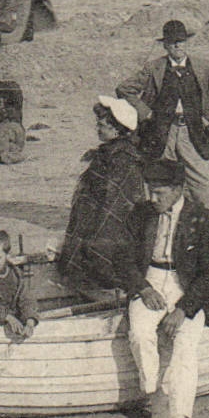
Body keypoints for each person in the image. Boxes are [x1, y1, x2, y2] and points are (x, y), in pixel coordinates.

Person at [123, 158, 209, 418]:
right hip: (151, 279)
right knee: (141, 334)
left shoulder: (203, 218)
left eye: (160, 193)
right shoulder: (141, 215)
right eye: (150, 191)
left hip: (187, 287)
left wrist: (184, 309)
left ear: (179, 189)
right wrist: (143, 288)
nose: (152, 199)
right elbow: (125, 259)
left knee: (185, 346)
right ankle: (157, 392)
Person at [116, 20, 209, 210]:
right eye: (172, 42)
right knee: (160, 182)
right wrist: (145, 113)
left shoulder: (203, 67)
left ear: (187, 43)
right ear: (165, 45)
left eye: (181, 41)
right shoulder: (154, 67)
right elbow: (124, 89)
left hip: (193, 132)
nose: (178, 45)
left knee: (203, 185)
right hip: (163, 133)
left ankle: (207, 227)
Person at [57, 96, 149, 291]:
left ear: (117, 128)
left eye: (102, 124)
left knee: (98, 262)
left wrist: (94, 241)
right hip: (93, 223)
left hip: (109, 230)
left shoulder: (123, 160)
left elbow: (114, 207)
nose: (98, 127)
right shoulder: (107, 154)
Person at [0, 80, 26, 164]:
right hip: (18, 134)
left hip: (5, 134)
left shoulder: (0, 111)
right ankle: (12, 151)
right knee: (11, 144)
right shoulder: (16, 110)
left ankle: (6, 156)